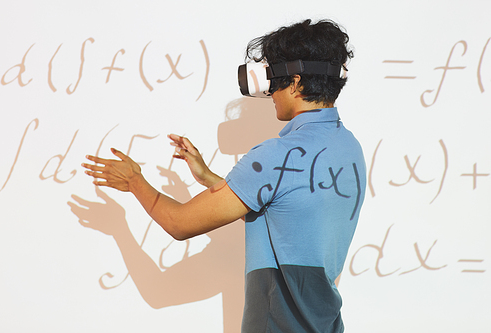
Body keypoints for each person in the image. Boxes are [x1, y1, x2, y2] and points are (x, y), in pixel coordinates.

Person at [82, 19, 366, 333]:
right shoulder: (349, 149)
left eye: (275, 79)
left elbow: (179, 224)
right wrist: (207, 177)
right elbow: (286, 211)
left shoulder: (275, 156)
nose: (270, 91)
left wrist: (134, 181)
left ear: (296, 83)